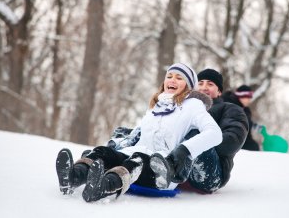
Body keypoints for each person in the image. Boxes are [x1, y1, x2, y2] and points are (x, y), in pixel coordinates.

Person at [55, 63, 222, 202]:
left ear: (189, 85)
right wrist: (117, 147)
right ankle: (74, 177)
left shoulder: (193, 106)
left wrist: (185, 150)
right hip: (140, 153)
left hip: (161, 170)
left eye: (179, 78)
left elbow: (215, 133)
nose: (172, 80)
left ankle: (106, 187)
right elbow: (139, 135)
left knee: (137, 160)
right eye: (169, 76)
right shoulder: (157, 104)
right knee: (103, 152)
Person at [149, 68, 248, 193]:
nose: (204, 87)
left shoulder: (229, 109)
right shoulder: (182, 106)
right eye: (200, 83)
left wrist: (197, 144)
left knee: (195, 134)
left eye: (210, 84)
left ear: (219, 91)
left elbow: (233, 140)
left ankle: (171, 171)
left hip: (209, 174)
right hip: (176, 160)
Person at [222, 85, 260, 151]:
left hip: (242, 138)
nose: (249, 100)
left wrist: (253, 125)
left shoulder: (246, 110)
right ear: (242, 96)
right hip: (230, 138)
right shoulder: (230, 105)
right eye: (248, 98)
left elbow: (246, 124)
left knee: (254, 146)